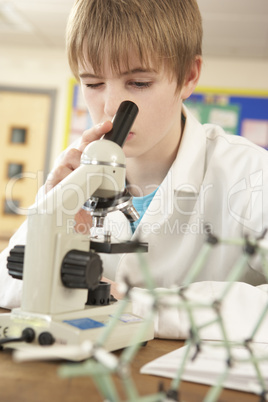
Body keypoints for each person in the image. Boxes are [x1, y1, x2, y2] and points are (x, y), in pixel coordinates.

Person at [1, 0, 268, 341]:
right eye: (94, 84)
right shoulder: (75, 174)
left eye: (139, 83)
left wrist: (139, 307)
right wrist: (49, 214)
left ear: (188, 77)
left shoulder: (250, 173)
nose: (110, 107)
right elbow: (8, 281)